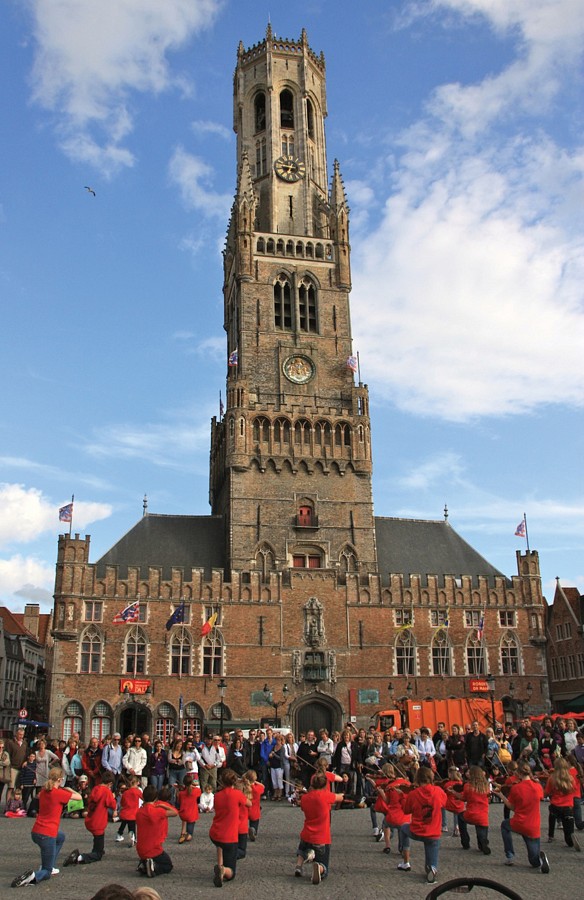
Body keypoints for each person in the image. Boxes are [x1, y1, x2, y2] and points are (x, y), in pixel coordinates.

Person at [11, 765, 81, 887]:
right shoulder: (59, 793)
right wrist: (69, 789)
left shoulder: (43, 792)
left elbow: (50, 790)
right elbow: (79, 797)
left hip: (37, 831)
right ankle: (33, 877)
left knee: (61, 837)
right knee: (47, 873)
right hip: (48, 834)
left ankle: (49, 863)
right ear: (59, 779)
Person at [493, 760, 549, 872]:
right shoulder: (537, 786)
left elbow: (512, 807)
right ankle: (541, 861)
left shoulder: (516, 788)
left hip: (519, 822)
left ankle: (509, 855)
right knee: (534, 861)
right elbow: (541, 797)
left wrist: (501, 796)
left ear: (518, 774)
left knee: (505, 825)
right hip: (534, 825)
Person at [396, 765, 447, 883]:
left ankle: (405, 857)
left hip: (417, 830)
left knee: (403, 827)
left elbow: (406, 810)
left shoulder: (413, 794)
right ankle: (432, 869)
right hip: (433, 832)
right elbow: (444, 803)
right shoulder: (438, 791)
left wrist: (402, 796)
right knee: (431, 859)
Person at [294, 771, 345, 883]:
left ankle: (298, 866)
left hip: (307, 832)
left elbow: (303, 807)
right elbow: (340, 798)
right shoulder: (326, 796)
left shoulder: (305, 798)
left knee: (302, 850)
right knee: (323, 863)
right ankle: (320, 868)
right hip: (322, 836)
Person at [209, 768, 251, 887]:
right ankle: (224, 871)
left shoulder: (217, 795)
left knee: (219, 845)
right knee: (231, 872)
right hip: (229, 835)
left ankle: (220, 865)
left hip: (215, 832)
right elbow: (249, 803)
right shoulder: (237, 794)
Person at [63, 770, 116, 865]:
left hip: (91, 818)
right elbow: (112, 804)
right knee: (98, 853)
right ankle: (80, 857)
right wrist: (113, 795)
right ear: (110, 784)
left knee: (98, 839)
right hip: (99, 821)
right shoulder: (106, 791)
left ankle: (98, 849)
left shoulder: (96, 788)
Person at [135, 784, 178, 877]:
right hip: (154, 848)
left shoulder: (139, 812)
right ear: (155, 798)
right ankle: (153, 868)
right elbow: (175, 812)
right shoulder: (156, 810)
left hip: (141, 848)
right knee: (167, 865)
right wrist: (162, 805)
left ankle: (145, 864)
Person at [545, 756, 580, 850]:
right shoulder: (570, 778)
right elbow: (574, 790)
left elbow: (547, 792)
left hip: (555, 805)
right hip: (568, 806)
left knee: (552, 816)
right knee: (568, 828)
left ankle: (551, 835)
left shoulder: (552, 778)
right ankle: (571, 839)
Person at [457, 765, 491, 853]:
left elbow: (463, 798)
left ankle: (465, 841)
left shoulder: (468, 786)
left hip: (470, 813)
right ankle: (483, 842)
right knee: (481, 827)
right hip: (483, 815)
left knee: (460, 817)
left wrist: (453, 793)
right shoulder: (486, 786)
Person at [116, 774, 142, 844]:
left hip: (125, 812)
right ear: (136, 783)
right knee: (132, 826)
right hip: (133, 813)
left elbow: (122, 803)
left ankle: (119, 834)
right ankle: (133, 837)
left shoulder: (125, 793)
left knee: (123, 824)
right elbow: (143, 798)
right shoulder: (138, 791)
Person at [6, 726, 29, 802]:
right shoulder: (10, 742)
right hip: (13, 767)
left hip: (22, 768)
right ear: (16, 734)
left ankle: (17, 805)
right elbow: (8, 754)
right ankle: (8, 805)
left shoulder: (25, 743)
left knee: (19, 787)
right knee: (11, 787)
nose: (21, 736)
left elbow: (26, 754)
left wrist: (26, 761)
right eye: (19, 734)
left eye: (22, 735)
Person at [177, 772, 201, 843]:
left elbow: (179, 802)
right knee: (190, 833)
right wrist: (194, 786)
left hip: (183, 813)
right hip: (191, 814)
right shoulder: (196, 791)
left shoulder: (181, 793)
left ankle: (182, 833)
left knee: (184, 820)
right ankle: (188, 835)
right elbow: (199, 792)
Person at [245, 768, 264, 841]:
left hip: (246, 807)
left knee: (243, 821)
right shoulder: (257, 788)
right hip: (255, 808)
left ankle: (243, 831)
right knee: (254, 821)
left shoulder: (244, 786)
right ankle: (253, 831)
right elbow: (263, 786)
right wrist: (255, 782)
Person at [0, 737, 11, 805]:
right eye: (0, 747)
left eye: (2, 747)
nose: (1, 748)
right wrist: (2, 763)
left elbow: (7, 762)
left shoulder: (5, 753)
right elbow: (4, 763)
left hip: (2, 776)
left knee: (0, 793)